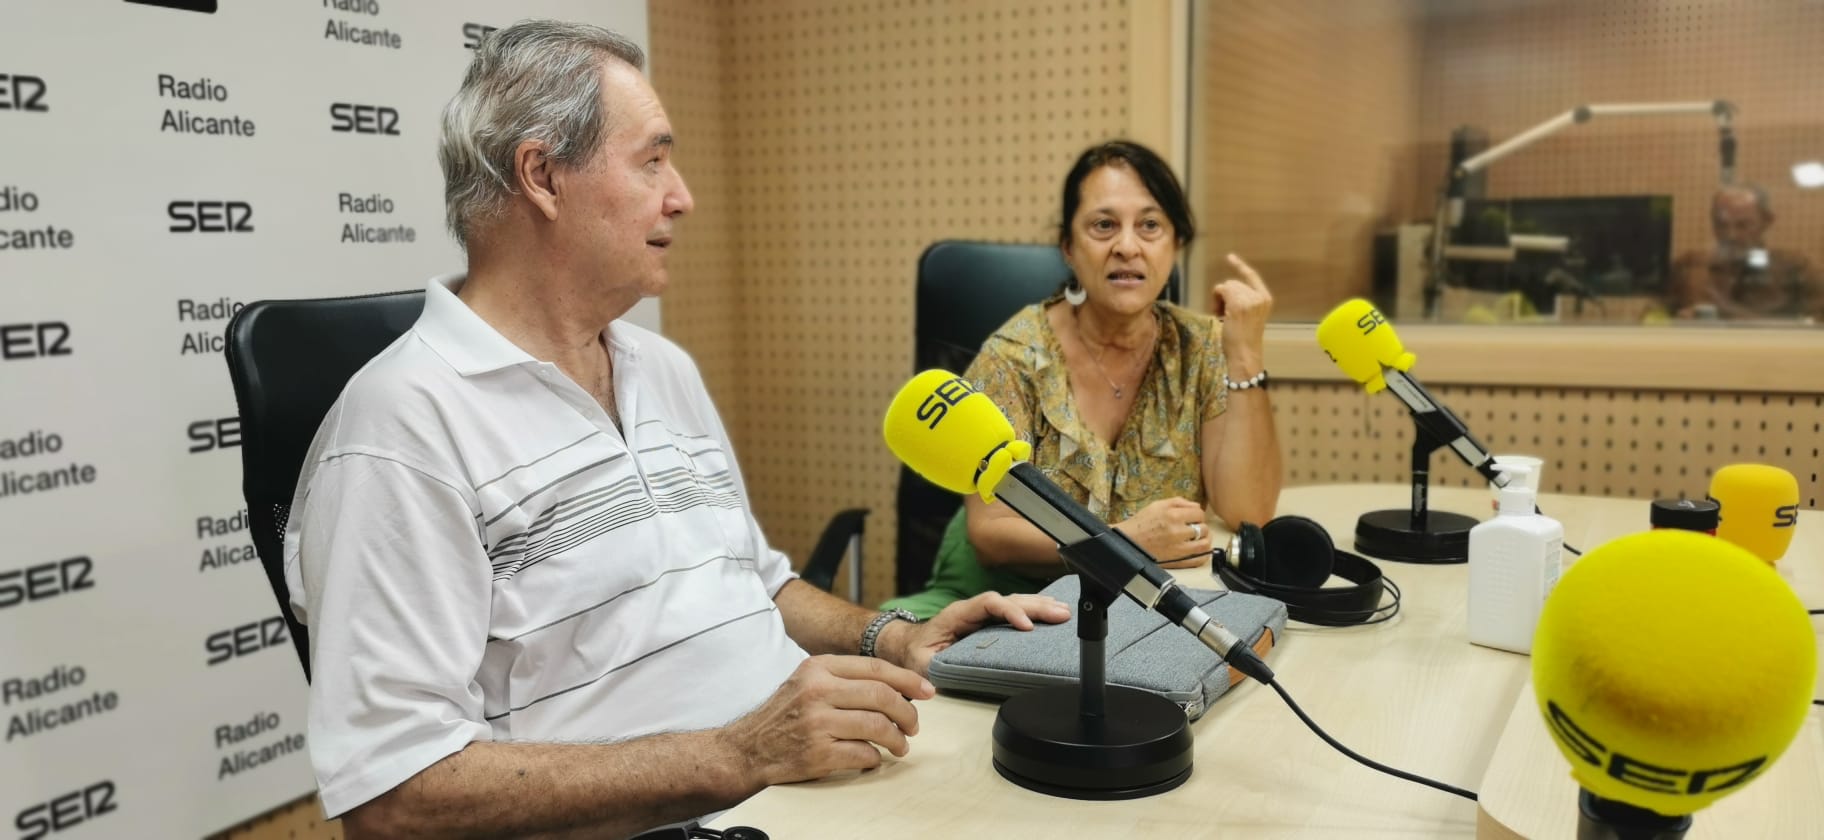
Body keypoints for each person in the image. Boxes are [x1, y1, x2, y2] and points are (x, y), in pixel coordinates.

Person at [283, 21, 1067, 839]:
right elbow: (394, 793)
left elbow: (755, 584)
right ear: (543, 176)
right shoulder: (399, 429)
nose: (681, 195)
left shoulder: (661, 368)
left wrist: (891, 638)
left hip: (802, 791)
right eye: (652, 160)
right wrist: (734, 755)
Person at [883, 140, 1284, 619]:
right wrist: (1122, 543)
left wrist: (1243, 353)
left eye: (1150, 225)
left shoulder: (1199, 348)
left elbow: (1249, 512)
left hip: (1144, 610)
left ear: (1175, 244)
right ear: (1069, 249)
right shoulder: (1014, 357)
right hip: (1007, 604)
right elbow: (991, 533)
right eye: (1104, 225)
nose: (1127, 246)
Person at [1667, 184, 1822, 321]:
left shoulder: (1794, 268)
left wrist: (1729, 313)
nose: (1730, 235)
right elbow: (1652, 316)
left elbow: (1815, 328)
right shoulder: (1690, 267)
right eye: (1721, 225)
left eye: (1743, 225)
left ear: (1766, 221)